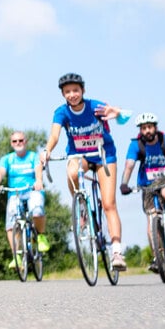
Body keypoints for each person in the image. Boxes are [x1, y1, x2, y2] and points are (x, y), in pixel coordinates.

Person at [42, 73, 129, 270]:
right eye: (67, 92)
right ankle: (81, 208)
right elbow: (54, 135)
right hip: (79, 155)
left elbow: (123, 116)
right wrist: (47, 150)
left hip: (103, 154)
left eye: (75, 90)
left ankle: (116, 252)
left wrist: (118, 113)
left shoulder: (95, 106)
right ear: (63, 95)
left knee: (108, 204)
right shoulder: (61, 112)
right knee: (72, 172)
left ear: (83, 91)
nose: (72, 94)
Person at [118, 112, 165, 272]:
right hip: (147, 185)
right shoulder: (136, 145)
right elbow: (129, 165)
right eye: (143, 128)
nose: (147, 131)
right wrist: (124, 184)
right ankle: (158, 258)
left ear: (155, 127)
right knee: (151, 220)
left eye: (149, 127)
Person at [0, 131, 49, 268]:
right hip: (15, 193)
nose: (18, 143)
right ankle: (16, 255)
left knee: (37, 210)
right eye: (15, 141)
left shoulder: (33, 156)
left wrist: (39, 180)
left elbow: (38, 168)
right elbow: (0, 172)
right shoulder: (7, 159)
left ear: (26, 141)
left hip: (32, 190)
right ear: (11, 144)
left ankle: (40, 236)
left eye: (21, 140)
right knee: (11, 221)